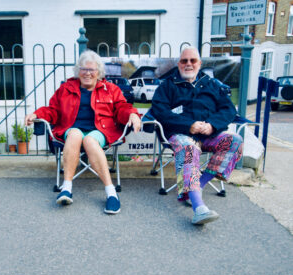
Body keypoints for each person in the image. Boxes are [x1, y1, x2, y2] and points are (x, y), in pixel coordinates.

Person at [25, 50, 141, 214]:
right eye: (83, 69)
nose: (87, 73)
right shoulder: (66, 89)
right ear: (78, 71)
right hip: (71, 129)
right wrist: (37, 114)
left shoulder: (111, 89)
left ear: (98, 72)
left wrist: (132, 114)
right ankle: (66, 188)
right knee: (75, 134)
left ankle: (111, 193)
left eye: (91, 69)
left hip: (100, 130)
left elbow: (122, 108)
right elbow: (53, 110)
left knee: (89, 140)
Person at [148, 46, 243, 225]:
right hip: (180, 134)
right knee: (189, 149)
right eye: (184, 61)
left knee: (235, 141)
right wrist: (188, 126)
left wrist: (212, 125)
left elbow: (228, 110)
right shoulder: (167, 85)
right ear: (178, 64)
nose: (188, 64)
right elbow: (160, 112)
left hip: (208, 135)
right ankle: (199, 208)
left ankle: (197, 185)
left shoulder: (212, 84)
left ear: (200, 63)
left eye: (193, 61)